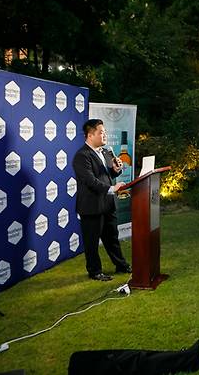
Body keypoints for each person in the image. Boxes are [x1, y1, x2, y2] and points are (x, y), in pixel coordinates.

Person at [73, 119, 131, 281]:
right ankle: (95, 271)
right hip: (91, 206)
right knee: (92, 242)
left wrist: (115, 170)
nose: (104, 135)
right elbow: (91, 181)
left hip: (107, 204)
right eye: (101, 132)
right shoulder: (81, 156)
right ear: (90, 135)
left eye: (105, 132)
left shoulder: (105, 152)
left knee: (112, 237)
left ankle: (121, 265)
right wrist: (113, 189)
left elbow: (106, 176)